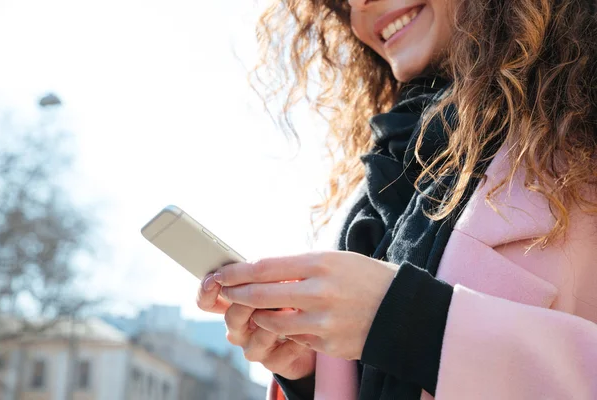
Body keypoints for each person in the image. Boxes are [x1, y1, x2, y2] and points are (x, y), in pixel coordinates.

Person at [197, 0, 597, 398]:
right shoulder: (388, 178)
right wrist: (313, 373)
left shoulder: (581, 127)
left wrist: (411, 324)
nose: (357, 3)